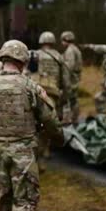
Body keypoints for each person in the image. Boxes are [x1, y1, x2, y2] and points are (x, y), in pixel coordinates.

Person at [0, 40, 64, 211]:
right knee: (24, 203)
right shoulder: (30, 87)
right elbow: (49, 118)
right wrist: (59, 139)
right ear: (23, 61)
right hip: (23, 155)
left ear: (2, 58)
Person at [28, 31, 70, 172]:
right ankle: (43, 155)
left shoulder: (33, 54)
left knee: (32, 125)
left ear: (41, 41)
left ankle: (32, 159)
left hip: (35, 92)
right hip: (51, 95)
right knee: (46, 125)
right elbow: (66, 82)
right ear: (53, 42)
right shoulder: (59, 57)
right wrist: (63, 100)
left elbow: (26, 74)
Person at [61, 31, 82, 124]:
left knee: (66, 100)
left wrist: (64, 80)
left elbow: (69, 67)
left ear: (66, 40)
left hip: (70, 79)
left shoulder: (70, 51)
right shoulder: (76, 49)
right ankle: (75, 119)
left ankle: (67, 120)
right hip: (75, 79)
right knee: (74, 100)